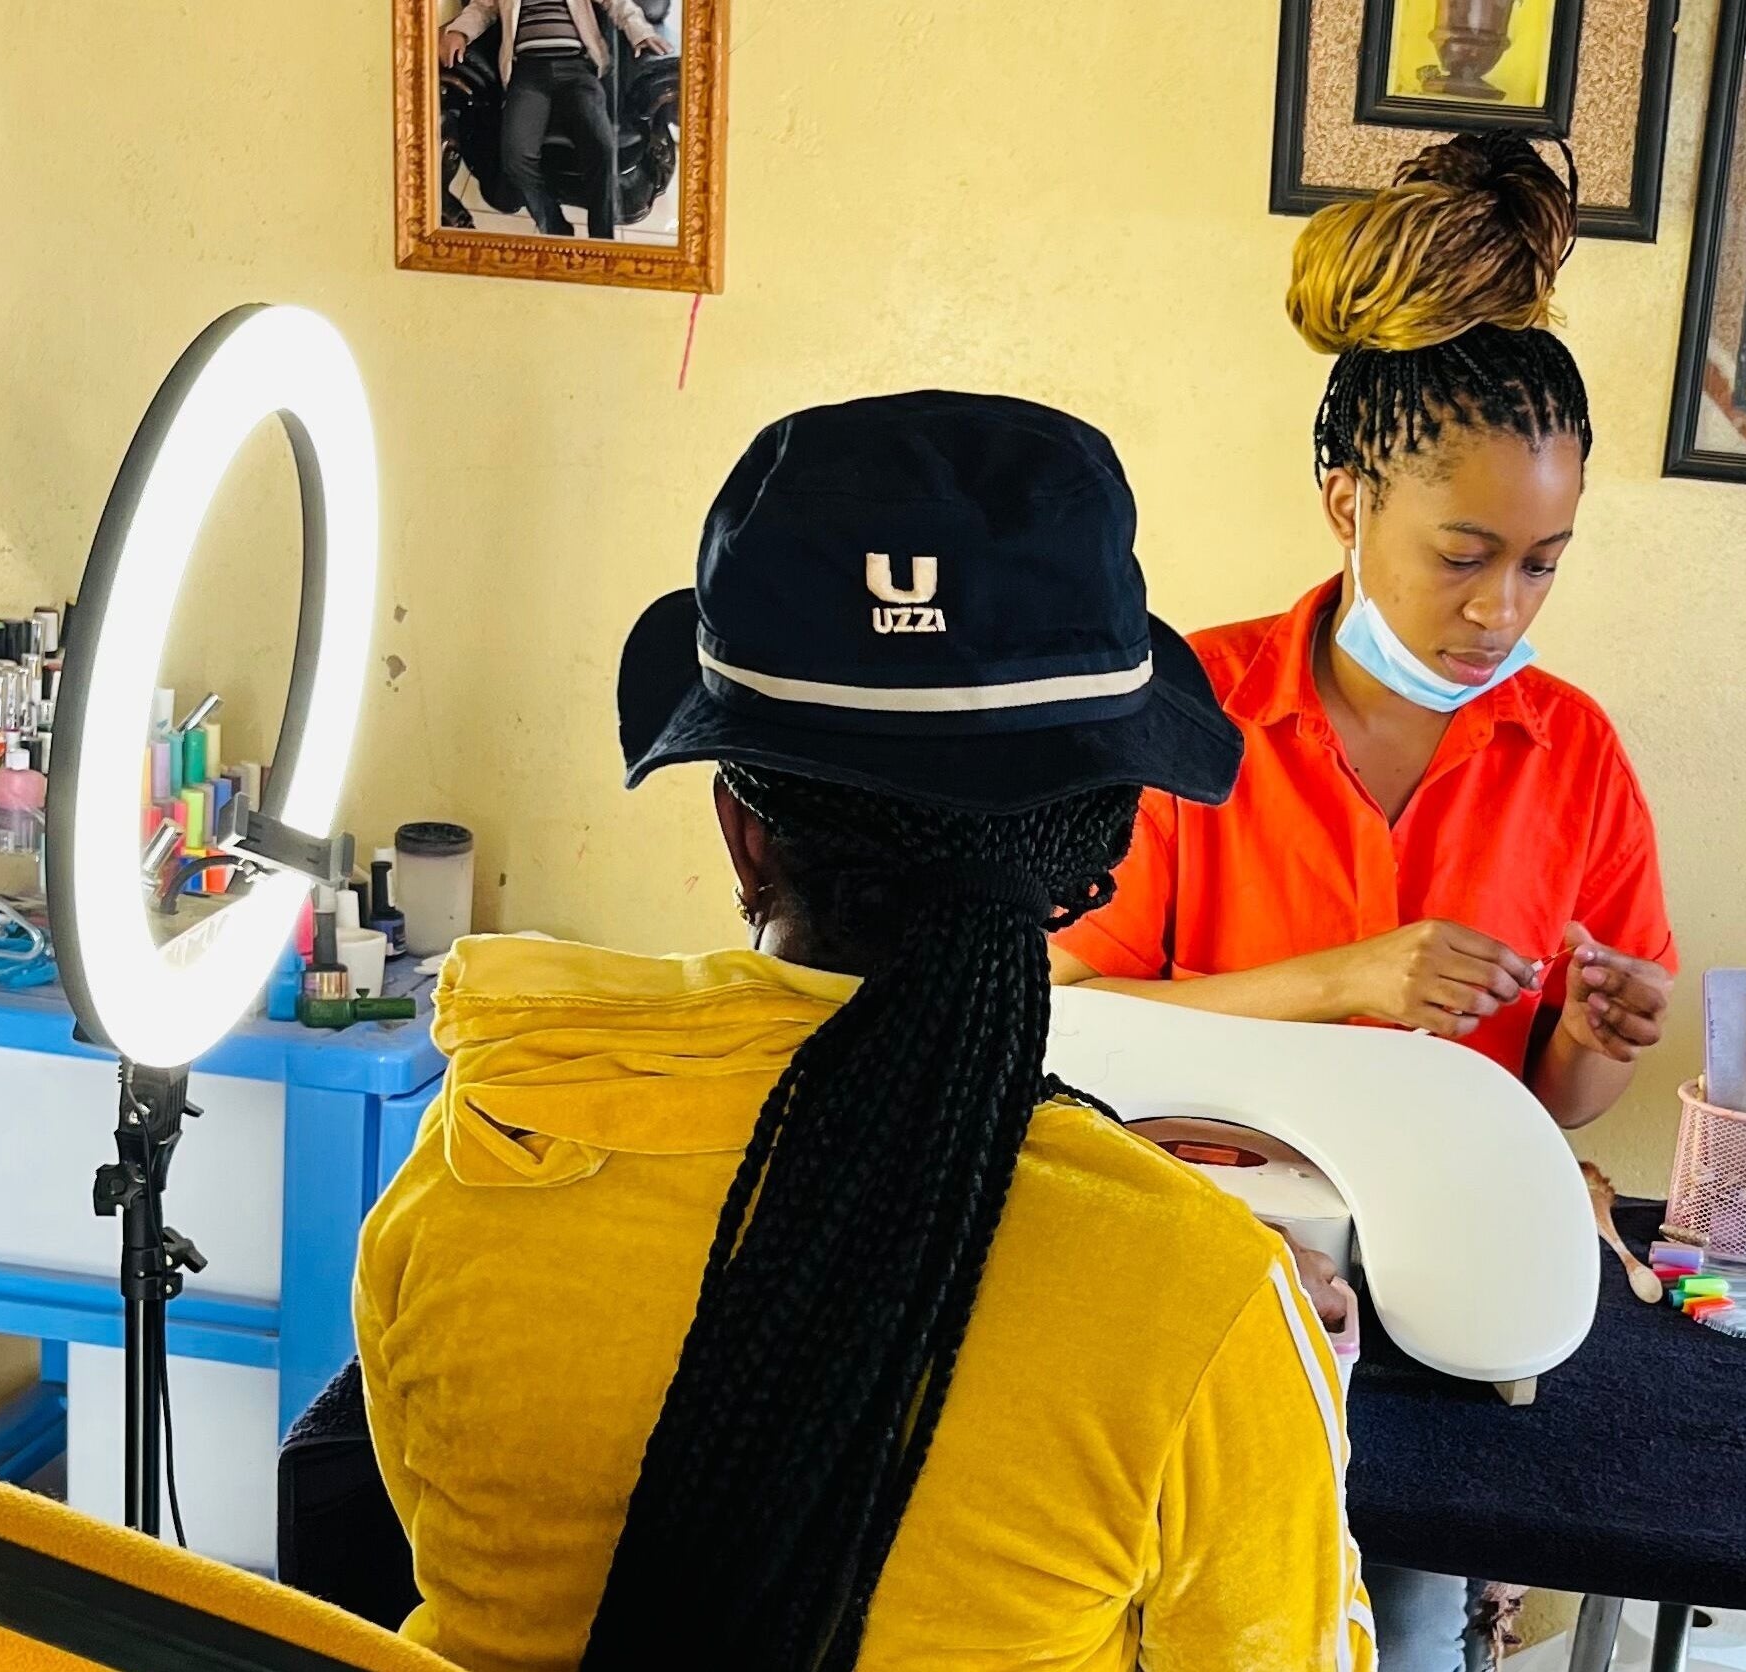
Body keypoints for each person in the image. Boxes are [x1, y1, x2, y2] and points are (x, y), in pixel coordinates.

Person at [354, 392, 1373, 1672]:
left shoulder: (475, 1166)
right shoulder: (1203, 1303)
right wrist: (1293, 1409)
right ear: (1101, 842)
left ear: (742, 830)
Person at [1051, 132, 1678, 1672]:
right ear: (1345, 497)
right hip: (1187, 1301)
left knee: (1399, 1630)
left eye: (1544, 564)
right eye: (1462, 556)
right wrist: (1340, 983)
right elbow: (1064, 1021)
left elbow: (1564, 1108)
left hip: (1440, 1332)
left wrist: (1598, 1040)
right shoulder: (1186, 710)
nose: (1499, 612)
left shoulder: (1571, 750)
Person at [440, 0, 671, 238]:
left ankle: (602, 238)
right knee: (515, 157)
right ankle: (555, 228)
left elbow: (617, 3)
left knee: (602, 148)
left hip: (577, 69)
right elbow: (481, 8)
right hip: (528, 74)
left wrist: (640, 32)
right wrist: (459, 31)